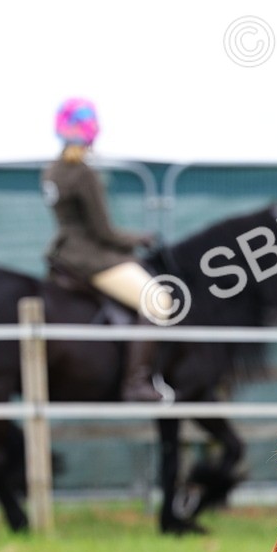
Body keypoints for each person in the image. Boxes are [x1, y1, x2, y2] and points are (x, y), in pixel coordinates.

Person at [41, 97, 168, 402]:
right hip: (91, 258)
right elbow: (103, 232)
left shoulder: (52, 171)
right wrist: (139, 239)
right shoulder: (84, 173)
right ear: (92, 131)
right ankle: (135, 382)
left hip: (63, 254)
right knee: (158, 300)